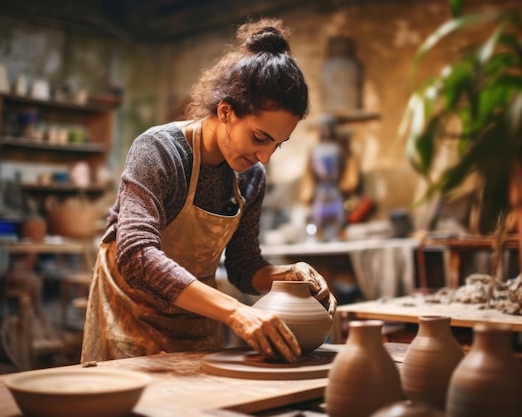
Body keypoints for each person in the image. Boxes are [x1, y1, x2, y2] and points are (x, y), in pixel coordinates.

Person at [81, 18, 337, 364]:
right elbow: (136, 255)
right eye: (260, 138)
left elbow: (243, 267)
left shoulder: (251, 177)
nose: (264, 156)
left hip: (197, 324)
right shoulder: (159, 151)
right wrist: (236, 312)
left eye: (277, 145)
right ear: (226, 112)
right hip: (129, 320)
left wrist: (285, 274)